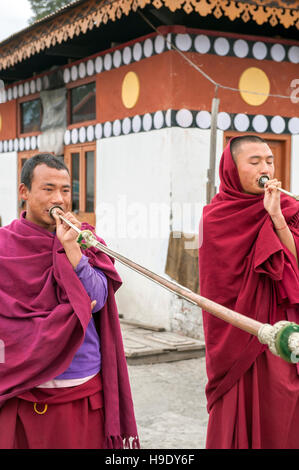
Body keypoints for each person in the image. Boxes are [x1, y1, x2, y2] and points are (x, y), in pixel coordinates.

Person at [0, 153, 139, 449]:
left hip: (81, 384)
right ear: (24, 192)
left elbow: (97, 300)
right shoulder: (4, 245)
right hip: (22, 387)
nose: (59, 199)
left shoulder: (85, 240)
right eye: (48, 189)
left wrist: (72, 250)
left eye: (66, 190)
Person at [199, 135, 299, 449]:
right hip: (237, 332)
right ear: (231, 169)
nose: (265, 167)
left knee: (281, 400)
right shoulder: (214, 218)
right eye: (254, 162)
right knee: (241, 403)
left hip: (280, 327)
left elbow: (295, 260)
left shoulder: (288, 207)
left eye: (269, 160)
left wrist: (277, 218)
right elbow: (218, 286)